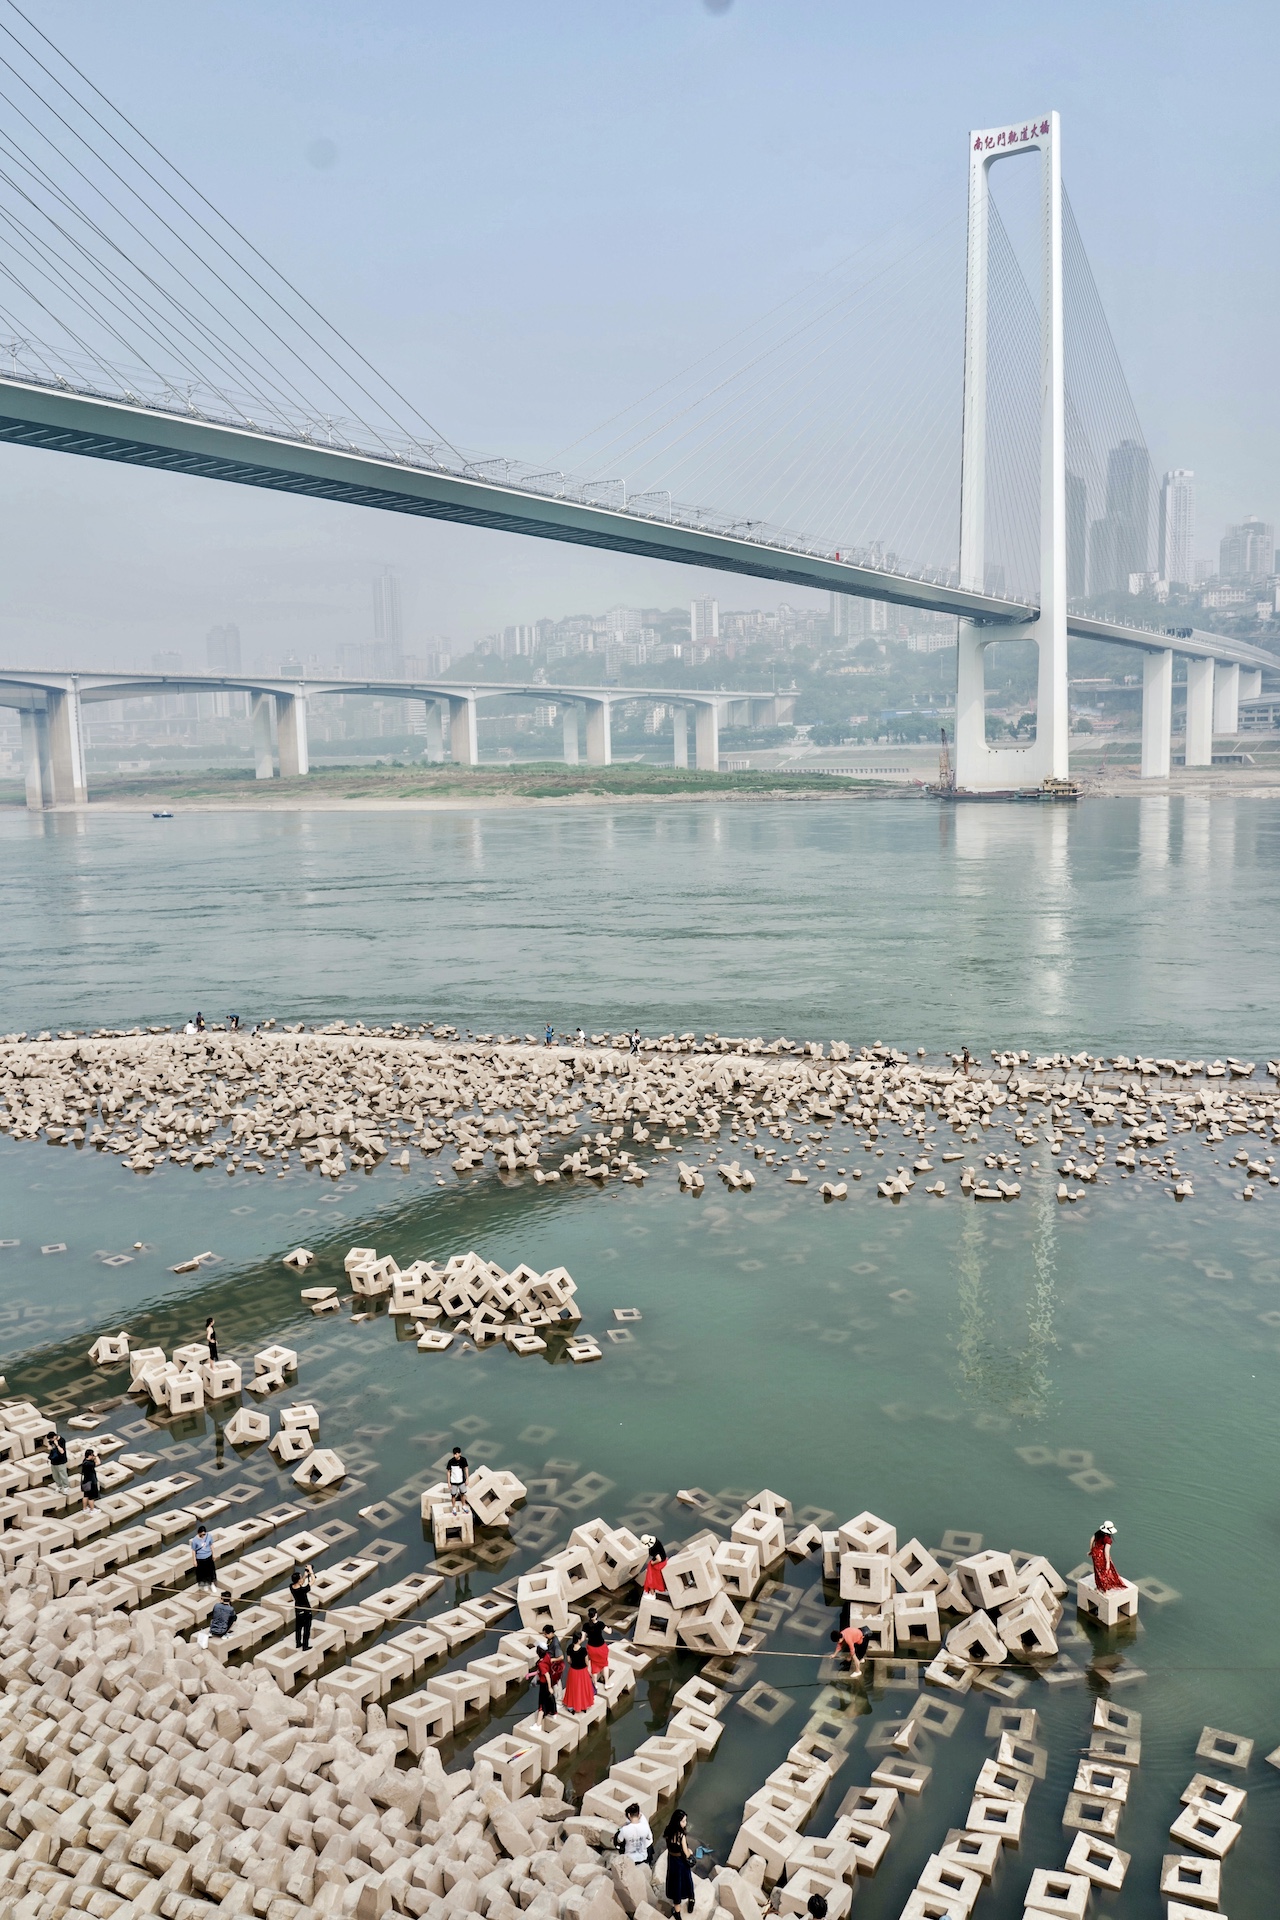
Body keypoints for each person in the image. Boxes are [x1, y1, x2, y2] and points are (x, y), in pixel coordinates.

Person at [664, 1810, 696, 1916]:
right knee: (687, 1880)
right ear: (678, 1822)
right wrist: (690, 1853)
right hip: (681, 1861)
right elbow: (686, 1852)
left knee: (675, 1884)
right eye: (683, 1821)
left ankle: (677, 1913)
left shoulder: (668, 1831)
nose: (685, 1823)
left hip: (672, 1860)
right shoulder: (681, 1836)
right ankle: (691, 1900)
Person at [563, 1630, 596, 1713]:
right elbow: (586, 1662)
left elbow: (569, 1660)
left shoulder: (570, 1647)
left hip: (573, 1671)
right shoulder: (583, 1650)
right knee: (583, 1688)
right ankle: (583, 1706)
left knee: (573, 1688)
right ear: (578, 1639)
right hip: (582, 1672)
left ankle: (571, 1706)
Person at [529, 1636, 559, 1723]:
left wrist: (549, 1687)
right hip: (548, 1681)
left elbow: (546, 1675)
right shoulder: (547, 1656)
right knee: (550, 1698)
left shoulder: (541, 1664)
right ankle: (553, 1712)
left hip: (544, 1683)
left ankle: (538, 1723)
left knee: (542, 1702)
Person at [1089, 1521, 1125, 1591]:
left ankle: (1099, 1586)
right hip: (1101, 1555)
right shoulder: (1108, 1539)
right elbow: (1106, 1551)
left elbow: (1091, 1541)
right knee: (1104, 1571)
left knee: (1097, 1571)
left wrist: (1091, 1550)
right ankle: (1105, 1588)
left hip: (1095, 1553)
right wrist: (1108, 1562)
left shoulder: (1098, 1533)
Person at [585, 1606, 612, 1679]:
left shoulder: (585, 1625)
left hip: (591, 1648)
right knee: (605, 1664)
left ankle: (595, 1685)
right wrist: (610, 1628)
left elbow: (583, 1637)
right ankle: (606, 1682)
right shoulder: (600, 1624)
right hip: (601, 1647)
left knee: (594, 1664)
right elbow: (609, 1632)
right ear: (596, 1615)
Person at [291, 1563, 313, 1649]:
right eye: (300, 1578)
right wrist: (311, 1571)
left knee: (298, 1628)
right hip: (306, 1611)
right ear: (298, 1580)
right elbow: (313, 1581)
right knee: (306, 1629)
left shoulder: (291, 1587)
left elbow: (301, 1582)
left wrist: (304, 1575)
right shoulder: (302, 1590)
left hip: (298, 1611)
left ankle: (298, 1644)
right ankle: (305, 1646)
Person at [45, 1431, 69, 1496]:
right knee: (55, 1475)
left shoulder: (62, 1440)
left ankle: (66, 1487)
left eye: (51, 1439)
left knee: (63, 1475)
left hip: (61, 1461)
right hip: (53, 1461)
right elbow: (50, 1449)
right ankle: (59, 1486)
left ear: (55, 1436)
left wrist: (57, 1444)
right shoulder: (51, 1441)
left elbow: (62, 1451)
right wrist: (49, 1457)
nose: (51, 1440)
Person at [446, 1446, 469, 1515]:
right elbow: (448, 1472)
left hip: (461, 1481)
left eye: (456, 1454)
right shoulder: (451, 1461)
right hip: (453, 1482)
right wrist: (449, 1482)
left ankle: (464, 1506)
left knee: (462, 1493)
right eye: (454, 1454)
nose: (455, 1455)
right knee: (453, 1495)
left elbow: (466, 1469)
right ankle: (454, 1507)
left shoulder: (463, 1460)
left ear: (460, 1454)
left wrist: (467, 1479)